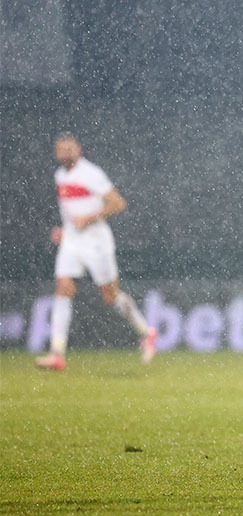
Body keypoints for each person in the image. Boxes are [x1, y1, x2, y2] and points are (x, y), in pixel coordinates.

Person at [34, 133, 156, 371]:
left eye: (69, 149)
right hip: (72, 243)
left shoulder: (91, 173)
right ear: (55, 153)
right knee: (63, 288)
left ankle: (146, 332)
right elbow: (71, 213)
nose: (65, 153)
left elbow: (117, 203)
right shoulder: (59, 176)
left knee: (110, 296)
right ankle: (57, 353)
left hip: (97, 243)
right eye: (61, 150)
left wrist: (88, 218)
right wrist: (64, 230)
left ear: (78, 149)